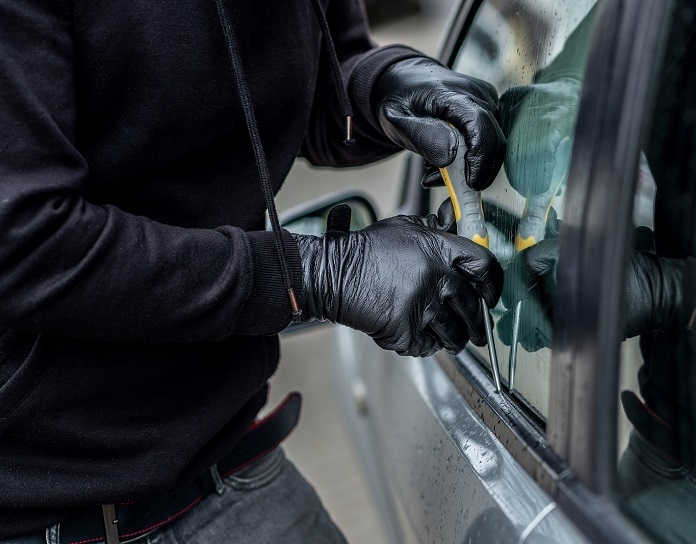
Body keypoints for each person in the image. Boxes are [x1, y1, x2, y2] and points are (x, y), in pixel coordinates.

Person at [0, 0, 506, 542]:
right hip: (41, 513)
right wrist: (311, 275)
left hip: (228, 470)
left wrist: (380, 88)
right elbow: (25, 244)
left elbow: (313, 83)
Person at [498, 0, 696, 541]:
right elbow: (594, 53)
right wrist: (565, 94)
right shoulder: (671, 14)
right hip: (660, 452)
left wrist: (674, 291)